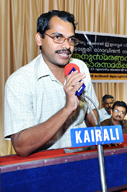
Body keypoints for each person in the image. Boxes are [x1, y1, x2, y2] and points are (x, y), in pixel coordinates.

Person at [4, 10, 99, 157]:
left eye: (70, 39)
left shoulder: (80, 67)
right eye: (58, 37)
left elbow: (92, 114)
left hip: (85, 160)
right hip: (46, 169)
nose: (67, 46)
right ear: (39, 39)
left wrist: (104, 137)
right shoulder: (20, 81)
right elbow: (21, 146)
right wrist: (67, 109)